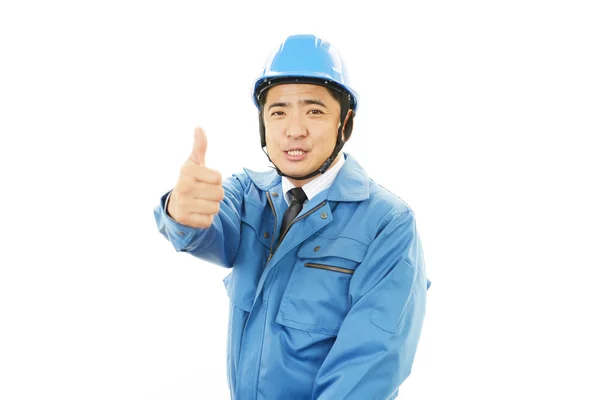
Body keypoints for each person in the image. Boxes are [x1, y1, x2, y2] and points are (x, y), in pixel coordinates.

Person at [153, 33, 431, 400]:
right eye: (279, 111)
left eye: (314, 111)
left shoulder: (388, 224)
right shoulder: (247, 193)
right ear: (263, 123)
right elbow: (207, 233)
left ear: (344, 122)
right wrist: (179, 211)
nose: (294, 130)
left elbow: (369, 367)